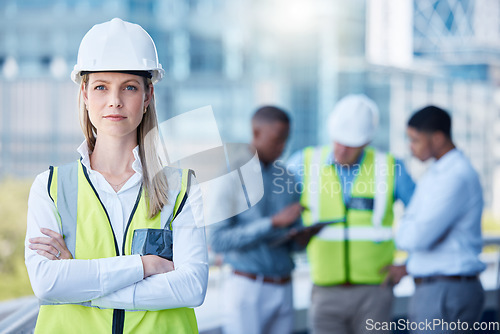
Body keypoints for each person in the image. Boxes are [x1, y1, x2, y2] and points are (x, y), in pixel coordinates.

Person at [25, 18, 208, 333]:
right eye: (101, 87)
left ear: (148, 94)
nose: (115, 101)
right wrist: (144, 266)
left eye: (130, 87)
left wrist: (83, 287)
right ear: (84, 93)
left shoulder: (180, 188)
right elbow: (47, 284)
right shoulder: (51, 187)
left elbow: (192, 286)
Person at [287, 94, 415, 334]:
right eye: (339, 141)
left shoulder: (389, 167)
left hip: (375, 293)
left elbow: (426, 217)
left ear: (366, 141)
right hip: (325, 292)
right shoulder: (303, 163)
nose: (342, 149)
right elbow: (275, 210)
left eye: (351, 144)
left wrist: (409, 265)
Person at [209, 106, 303, 334]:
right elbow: (217, 240)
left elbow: (294, 241)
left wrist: (300, 236)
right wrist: (272, 223)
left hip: (285, 285)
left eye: (286, 140)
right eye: (277, 140)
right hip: (246, 288)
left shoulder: (289, 178)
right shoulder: (230, 175)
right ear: (256, 132)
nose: (282, 148)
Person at [396, 106, 485, 333]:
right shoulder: (439, 172)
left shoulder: (454, 176)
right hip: (440, 288)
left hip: (445, 292)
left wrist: (408, 225)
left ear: (437, 138)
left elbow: (416, 238)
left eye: (415, 140)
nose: (411, 147)